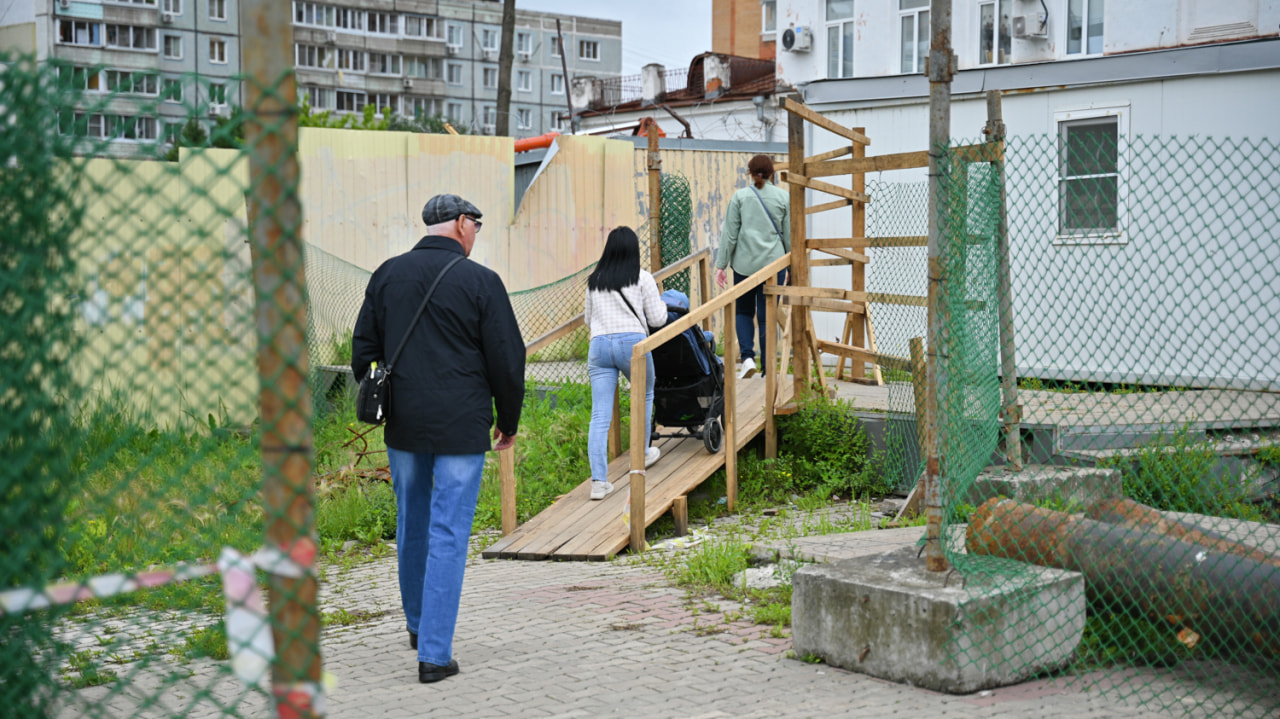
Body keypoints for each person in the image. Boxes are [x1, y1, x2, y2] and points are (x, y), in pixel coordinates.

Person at [351, 193, 525, 684]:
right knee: (448, 531)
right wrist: (507, 421)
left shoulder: (387, 275)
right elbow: (507, 362)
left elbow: (362, 353)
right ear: (463, 224)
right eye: (478, 227)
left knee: (412, 523)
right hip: (462, 427)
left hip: (403, 426)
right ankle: (434, 654)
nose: (477, 236)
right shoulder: (482, 282)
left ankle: (417, 624)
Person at [583, 226, 667, 500]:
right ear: (633, 250)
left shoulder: (594, 280)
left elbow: (588, 320)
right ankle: (641, 455)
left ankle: (598, 482)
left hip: (599, 346)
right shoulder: (642, 278)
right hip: (632, 344)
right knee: (644, 394)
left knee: (600, 414)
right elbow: (657, 320)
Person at [715, 154, 790, 380]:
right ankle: (768, 368)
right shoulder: (783, 197)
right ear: (771, 173)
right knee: (767, 316)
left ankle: (747, 358)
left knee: (744, 312)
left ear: (749, 172)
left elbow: (730, 234)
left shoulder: (740, 197)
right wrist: (791, 266)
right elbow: (789, 235)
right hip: (774, 265)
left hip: (744, 265)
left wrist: (721, 265)